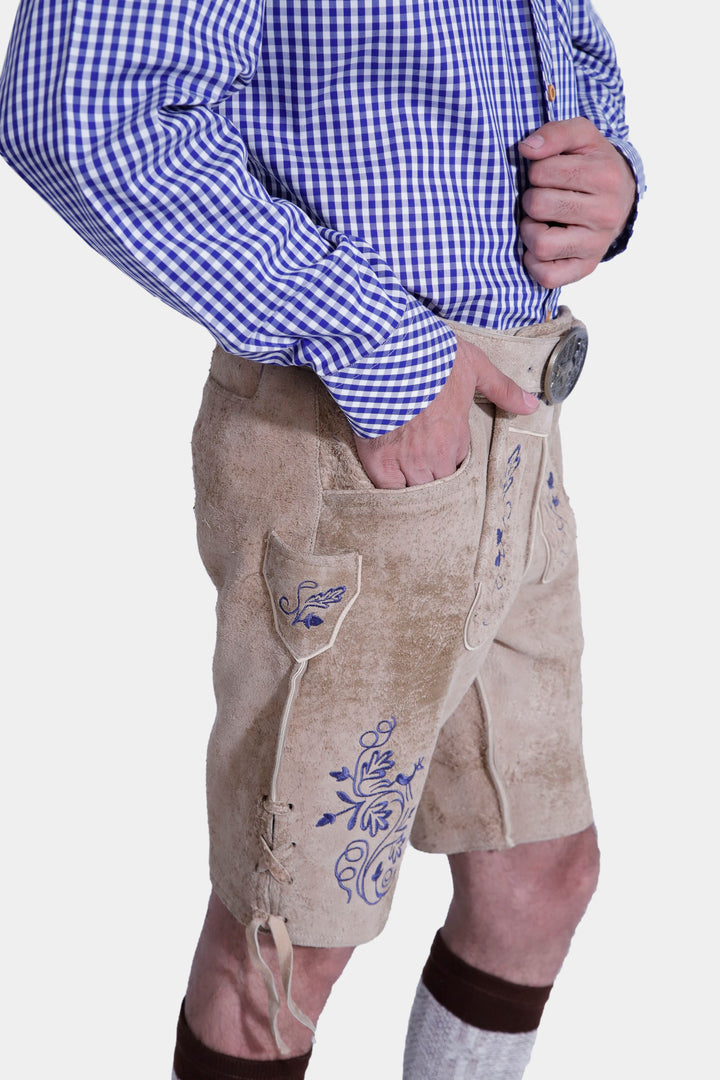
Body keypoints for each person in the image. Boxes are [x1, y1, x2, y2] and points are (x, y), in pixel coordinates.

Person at [0, 1, 642, 1077]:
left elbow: (560, 36)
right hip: (355, 431)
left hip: (521, 419)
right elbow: (83, 111)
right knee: (286, 954)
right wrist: (384, 347)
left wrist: (607, 176)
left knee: (541, 873)